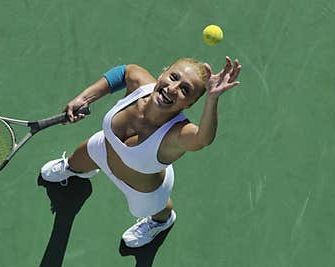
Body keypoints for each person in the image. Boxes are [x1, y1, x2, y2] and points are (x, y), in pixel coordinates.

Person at [40, 56, 242, 247]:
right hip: (102, 150)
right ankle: (75, 170)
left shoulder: (177, 133)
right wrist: (84, 98)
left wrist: (212, 99)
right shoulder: (139, 82)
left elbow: (203, 139)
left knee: (159, 210)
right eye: (173, 77)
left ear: (189, 104)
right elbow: (123, 72)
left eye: (185, 90)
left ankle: (161, 222)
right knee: (75, 161)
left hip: (143, 191)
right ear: (163, 73)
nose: (172, 88)